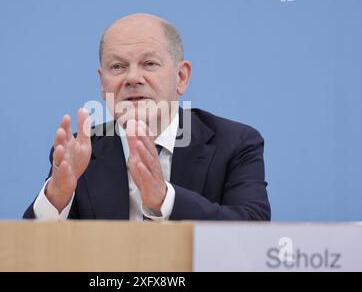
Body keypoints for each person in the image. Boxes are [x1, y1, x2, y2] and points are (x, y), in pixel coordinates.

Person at [23, 13, 270, 221]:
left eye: (149, 64)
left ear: (181, 77)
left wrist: (164, 198)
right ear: (102, 83)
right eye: (117, 67)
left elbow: (251, 230)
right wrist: (58, 194)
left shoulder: (235, 143)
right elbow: (29, 251)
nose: (132, 78)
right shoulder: (80, 153)